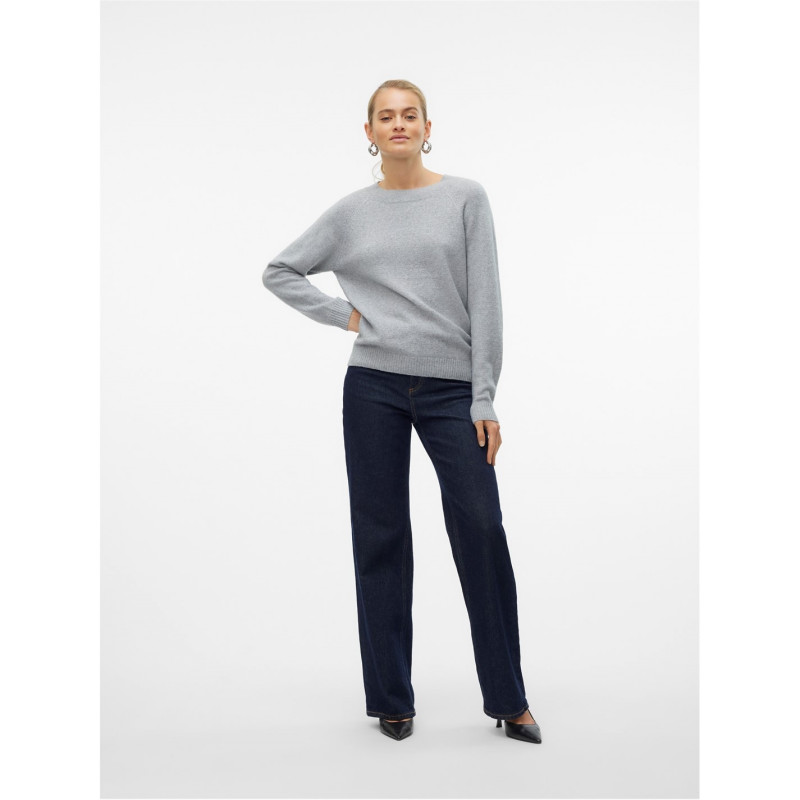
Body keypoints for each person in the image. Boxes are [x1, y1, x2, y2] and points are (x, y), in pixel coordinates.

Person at [262, 80, 541, 744]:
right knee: (381, 538)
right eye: (385, 117)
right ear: (369, 133)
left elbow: (487, 299)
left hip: (452, 391)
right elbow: (280, 271)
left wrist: (483, 395)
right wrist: (347, 316)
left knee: (481, 528)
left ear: (427, 127)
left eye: (409, 115)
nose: (398, 124)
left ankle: (509, 698)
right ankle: (392, 699)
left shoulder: (465, 198)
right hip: (374, 388)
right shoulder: (352, 213)